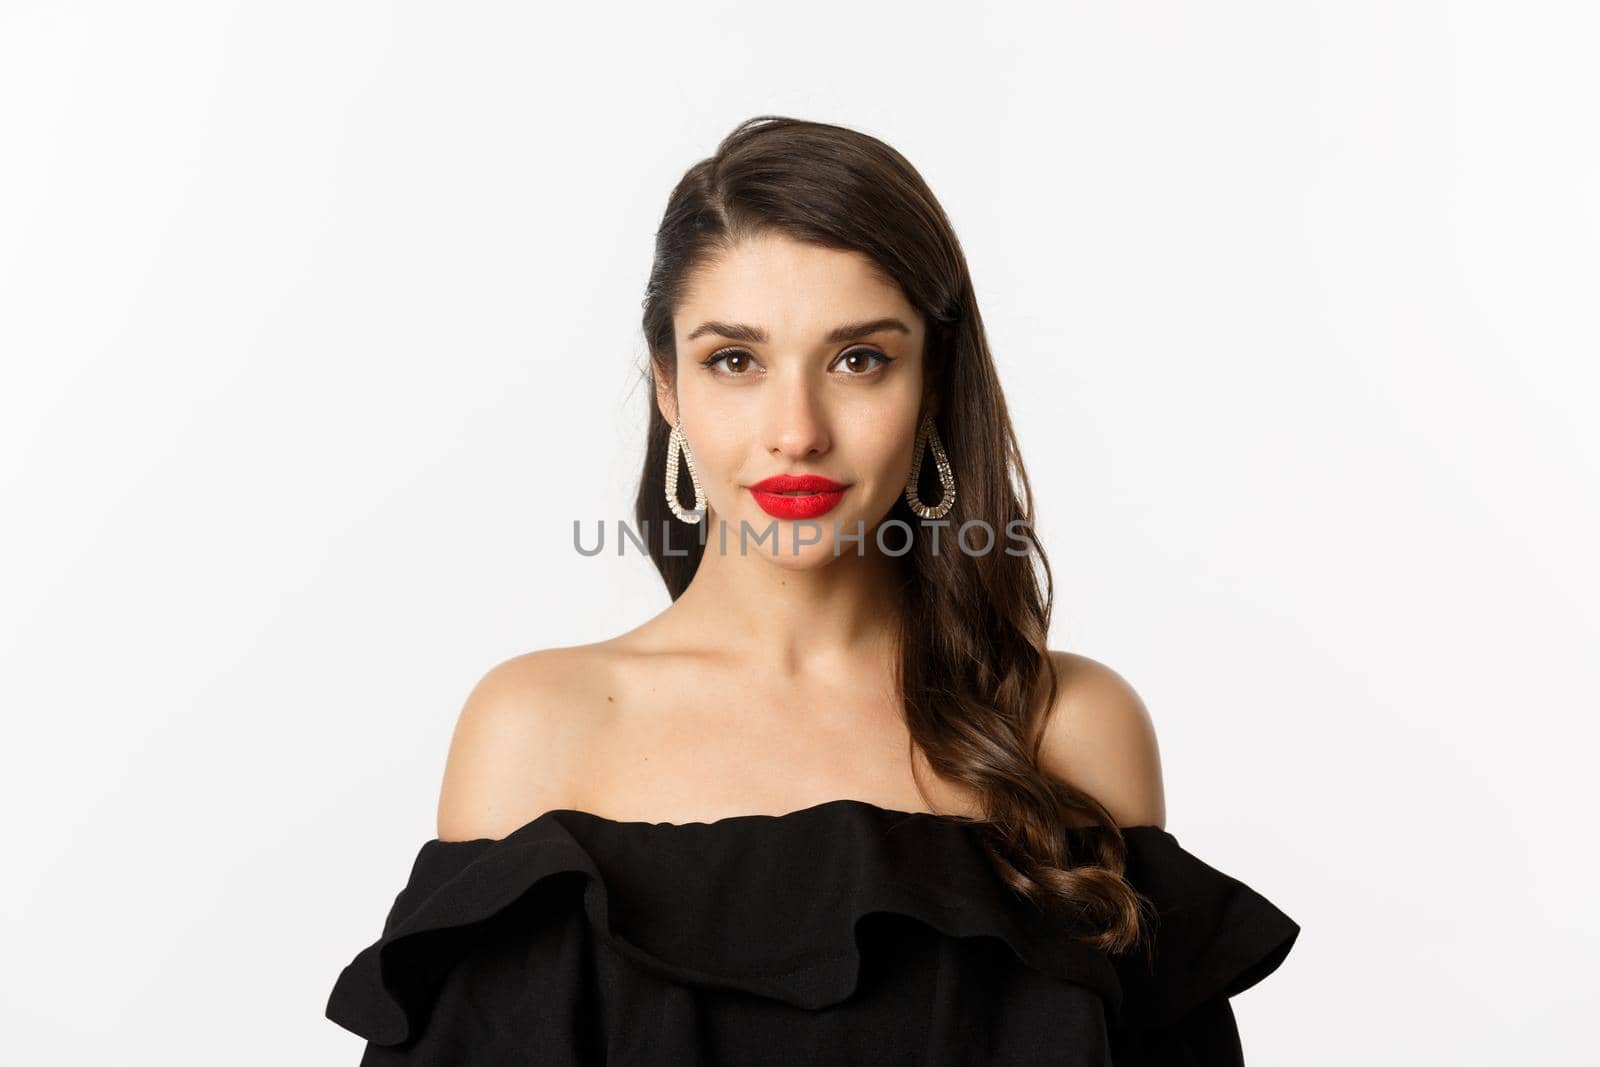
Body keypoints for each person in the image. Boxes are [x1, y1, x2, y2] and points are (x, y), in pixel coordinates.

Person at [325, 115, 1299, 1065]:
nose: (796, 428)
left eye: (858, 358)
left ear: (931, 382)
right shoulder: (539, 725)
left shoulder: (1066, 725)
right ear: (668, 385)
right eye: (734, 359)